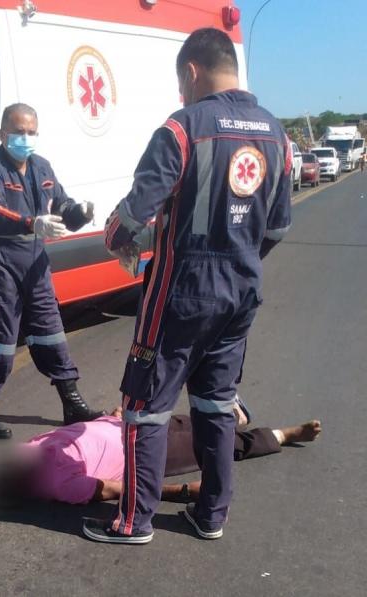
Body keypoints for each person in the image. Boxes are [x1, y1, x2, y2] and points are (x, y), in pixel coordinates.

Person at [84, 28, 292, 544]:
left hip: (181, 292)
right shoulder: (277, 135)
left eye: (183, 82)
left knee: (143, 406)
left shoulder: (183, 129)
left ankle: (135, 521)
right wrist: (239, 261)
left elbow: (133, 217)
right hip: (241, 292)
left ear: (192, 72)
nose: (182, 92)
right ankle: (212, 515)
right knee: (217, 403)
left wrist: (116, 240)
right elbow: (278, 226)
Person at [0, 103, 104, 439]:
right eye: (18, 132)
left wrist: (80, 213)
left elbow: (61, 205)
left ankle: (71, 402)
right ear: (2, 134)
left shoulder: (42, 167)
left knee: (51, 332)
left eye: (31, 132)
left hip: (36, 265)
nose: (25, 138)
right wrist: (32, 223)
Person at [0, 402, 321, 508]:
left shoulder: (30, 448)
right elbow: (119, 490)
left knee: (199, 421)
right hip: (148, 450)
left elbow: (77, 434)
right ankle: (283, 435)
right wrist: (183, 491)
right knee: (219, 445)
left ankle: (234, 417)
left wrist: (110, 418)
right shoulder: (60, 487)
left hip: (129, 423)